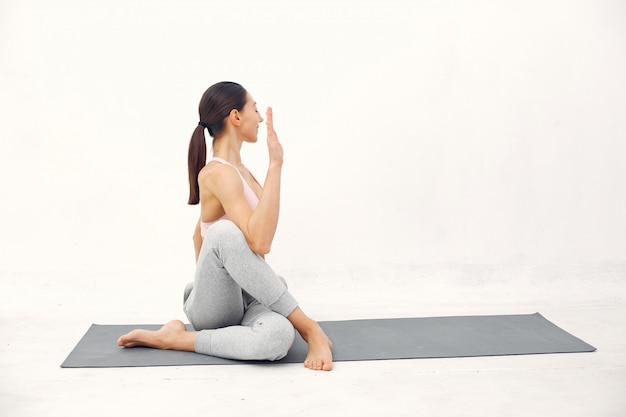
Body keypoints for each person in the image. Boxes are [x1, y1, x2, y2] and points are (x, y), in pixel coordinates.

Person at [117, 81, 333, 371]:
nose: (260, 118)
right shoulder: (217, 173)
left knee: (278, 338)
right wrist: (210, 286)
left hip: (248, 299)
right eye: (255, 109)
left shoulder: (244, 173)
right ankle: (309, 328)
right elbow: (258, 243)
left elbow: (217, 235)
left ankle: (177, 336)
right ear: (235, 117)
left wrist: (275, 166)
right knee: (225, 233)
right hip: (215, 308)